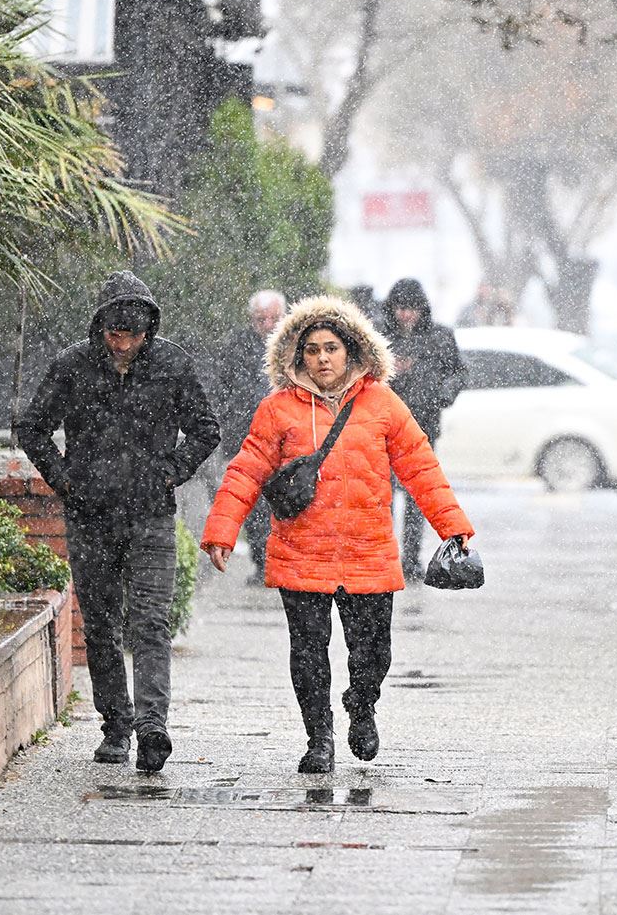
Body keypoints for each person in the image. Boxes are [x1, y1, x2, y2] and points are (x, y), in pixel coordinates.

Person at [200, 295, 474, 774]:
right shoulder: (278, 409)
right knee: (308, 654)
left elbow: (421, 468)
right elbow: (246, 469)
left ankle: (361, 703)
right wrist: (223, 528)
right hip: (301, 552)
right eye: (311, 350)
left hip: (368, 551)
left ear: (352, 351)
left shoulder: (383, 404)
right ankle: (319, 738)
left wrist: (453, 528)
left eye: (331, 348)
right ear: (296, 355)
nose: (322, 358)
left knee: (374, 653)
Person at [16, 271, 220, 772]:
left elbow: (205, 429)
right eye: (114, 334)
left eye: (132, 334)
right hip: (90, 516)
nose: (123, 343)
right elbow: (32, 427)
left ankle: (153, 726)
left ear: (147, 330)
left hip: (150, 514)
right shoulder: (72, 366)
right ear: (101, 329)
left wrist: (168, 472)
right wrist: (66, 480)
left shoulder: (171, 365)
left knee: (150, 623)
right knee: (103, 625)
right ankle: (116, 725)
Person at [381, 278, 467, 578]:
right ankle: (386, 554)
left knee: (418, 497)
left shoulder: (440, 337)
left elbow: (458, 373)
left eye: (412, 309)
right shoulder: (379, 336)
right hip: (383, 430)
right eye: (401, 309)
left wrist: (442, 394)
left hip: (423, 427)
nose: (406, 316)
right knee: (383, 496)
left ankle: (411, 558)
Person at [209, 289, 287, 583]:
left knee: (283, 503)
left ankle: (280, 560)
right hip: (246, 436)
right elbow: (222, 387)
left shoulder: (293, 344)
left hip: (285, 439)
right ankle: (262, 561)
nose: (267, 325)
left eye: (273, 318)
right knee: (253, 505)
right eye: (261, 319)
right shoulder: (235, 345)